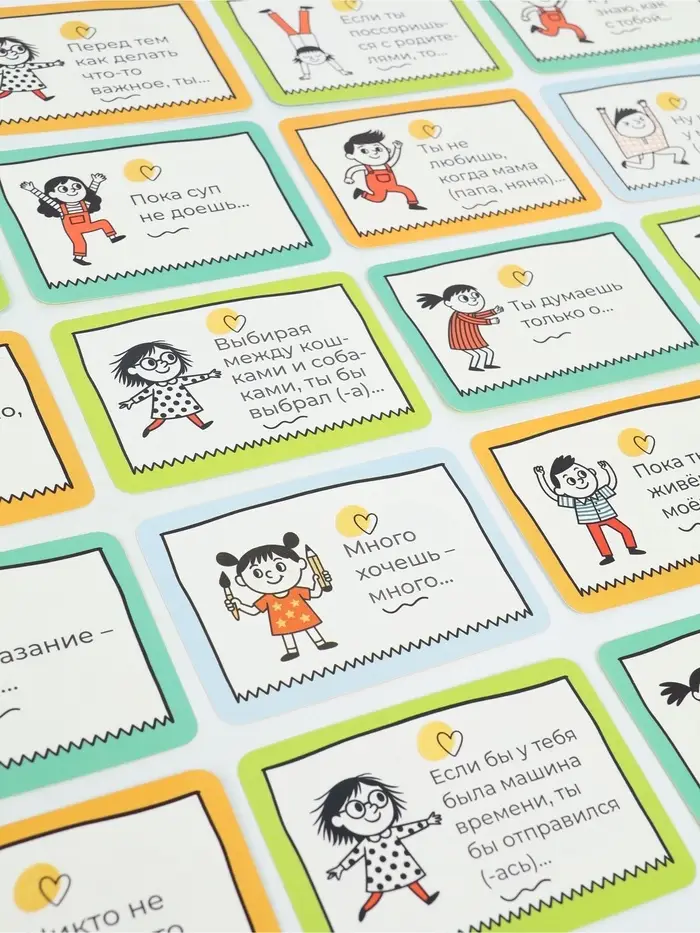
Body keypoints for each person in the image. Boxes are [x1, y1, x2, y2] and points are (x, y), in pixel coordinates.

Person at [315, 774, 441, 923]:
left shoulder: (391, 832)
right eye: (358, 808)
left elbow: (409, 829)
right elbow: (354, 855)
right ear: (338, 820)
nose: (372, 807)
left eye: (379, 797)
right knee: (377, 893)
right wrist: (340, 868)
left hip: (401, 864)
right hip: (380, 870)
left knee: (412, 882)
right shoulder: (366, 843)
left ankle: (427, 899)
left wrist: (427, 822)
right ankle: (365, 909)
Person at [216, 532, 337, 662]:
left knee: (310, 628)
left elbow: (315, 593)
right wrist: (239, 606)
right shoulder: (267, 599)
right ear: (241, 581)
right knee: (287, 635)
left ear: (301, 564)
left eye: (280, 567)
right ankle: (292, 651)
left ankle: (320, 643)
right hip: (282, 622)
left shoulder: (296, 591)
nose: (270, 574)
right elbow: (254, 610)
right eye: (257, 573)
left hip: (303, 617)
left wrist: (319, 581)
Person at [533, 456, 645, 565]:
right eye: (571, 481)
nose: (580, 480)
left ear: (591, 472)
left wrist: (607, 469)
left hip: (608, 515)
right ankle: (608, 556)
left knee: (625, 530)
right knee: (599, 538)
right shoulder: (575, 501)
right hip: (590, 520)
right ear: (560, 490)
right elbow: (553, 495)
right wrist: (540, 476)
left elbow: (612, 484)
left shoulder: (599, 493)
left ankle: (632, 548)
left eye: (582, 474)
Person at [113, 341, 221, 437]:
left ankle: (202, 425)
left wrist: (209, 375)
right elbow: (144, 394)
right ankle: (149, 429)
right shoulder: (155, 386)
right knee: (160, 419)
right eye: (151, 363)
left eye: (169, 357)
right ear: (133, 370)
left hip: (183, 401)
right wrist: (131, 401)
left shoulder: (177, 380)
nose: (163, 363)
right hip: (164, 405)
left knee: (191, 413)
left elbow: (192, 379)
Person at [20, 174, 125, 266]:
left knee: (103, 223)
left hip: (87, 225)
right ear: (53, 194)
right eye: (64, 189)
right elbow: (46, 199)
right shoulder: (60, 208)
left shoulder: (85, 204)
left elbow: (91, 193)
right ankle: (78, 258)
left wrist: (96, 182)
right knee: (80, 242)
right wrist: (32, 189)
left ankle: (113, 237)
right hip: (73, 230)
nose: (73, 190)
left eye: (77, 186)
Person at [417, 284, 503, 371]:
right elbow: (473, 320)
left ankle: (487, 364)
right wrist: (489, 321)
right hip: (463, 339)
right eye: (465, 298)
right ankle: (473, 367)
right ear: (448, 303)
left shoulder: (468, 312)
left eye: (476, 295)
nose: (474, 299)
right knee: (477, 354)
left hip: (472, 337)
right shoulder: (460, 314)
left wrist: (493, 312)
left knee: (488, 352)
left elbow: (478, 316)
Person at [260, 5, 351, 81]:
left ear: (298, 57)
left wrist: (306, 75)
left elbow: (304, 65)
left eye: (311, 57)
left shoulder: (304, 60)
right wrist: (342, 71)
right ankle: (303, 10)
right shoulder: (324, 58)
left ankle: (271, 13)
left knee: (286, 27)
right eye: (317, 56)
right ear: (325, 54)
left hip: (298, 45)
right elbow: (333, 62)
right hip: (310, 41)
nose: (314, 59)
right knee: (304, 26)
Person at [344, 130, 426, 210]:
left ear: (387, 150)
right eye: (364, 151)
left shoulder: (387, 165)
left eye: (378, 149)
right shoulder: (366, 167)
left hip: (392, 185)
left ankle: (413, 205)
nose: (374, 152)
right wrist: (348, 178)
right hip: (377, 188)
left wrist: (397, 148)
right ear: (351, 156)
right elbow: (353, 169)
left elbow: (394, 159)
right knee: (378, 199)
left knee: (407, 191)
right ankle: (361, 192)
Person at [597, 100, 688, 170]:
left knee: (679, 150)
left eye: (641, 119)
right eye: (628, 124)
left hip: (658, 147)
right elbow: (612, 129)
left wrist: (645, 107)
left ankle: (678, 162)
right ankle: (627, 164)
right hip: (644, 151)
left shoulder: (655, 130)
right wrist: (603, 113)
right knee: (648, 165)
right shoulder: (624, 137)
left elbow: (653, 119)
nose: (638, 123)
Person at [0, 36, 64, 102]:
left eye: (19, 48)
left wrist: (54, 63)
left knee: (36, 89)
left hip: (29, 81)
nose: (13, 52)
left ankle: (44, 98)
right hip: (11, 82)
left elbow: (40, 65)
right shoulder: (4, 68)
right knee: (7, 92)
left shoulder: (25, 65)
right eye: (2, 52)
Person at [520, 0, 592, 43]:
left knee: (574, 27)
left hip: (562, 23)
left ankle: (582, 38)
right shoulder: (539, 8)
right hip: (550, 25)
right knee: (552, 33)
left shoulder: (557, 7)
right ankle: (536, 28)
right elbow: (528, 10)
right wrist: (524, 16)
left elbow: (562, 2)